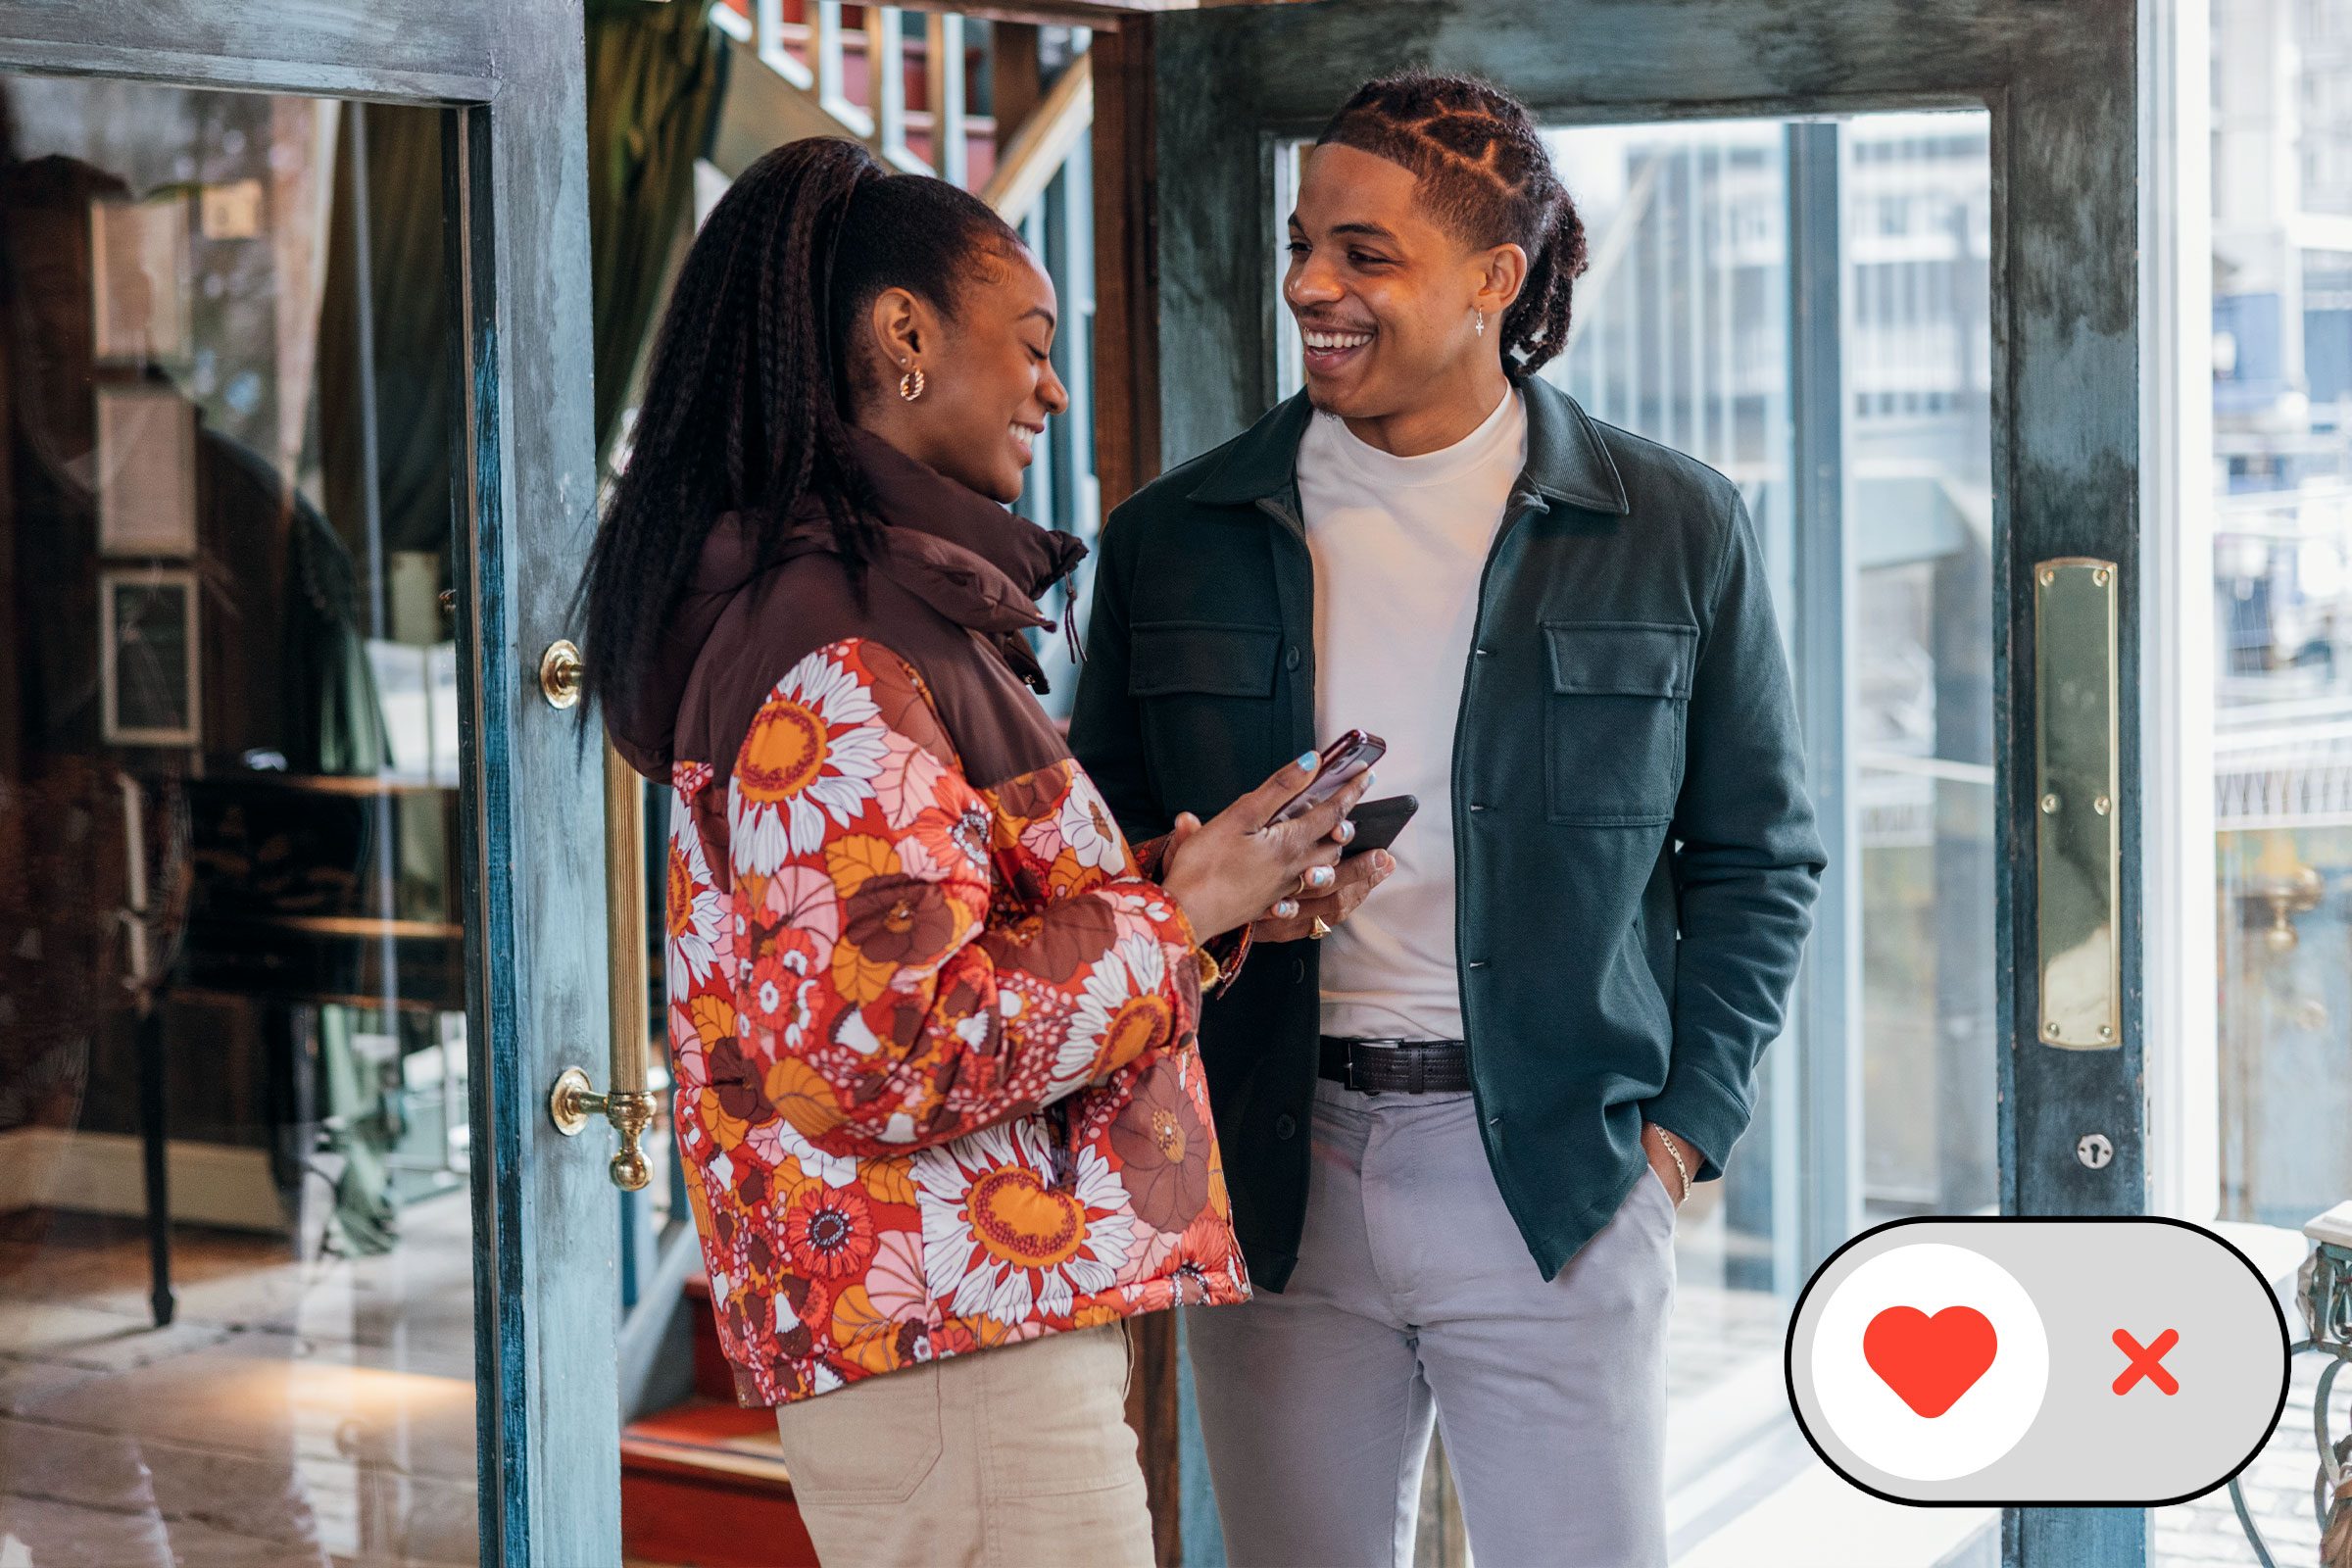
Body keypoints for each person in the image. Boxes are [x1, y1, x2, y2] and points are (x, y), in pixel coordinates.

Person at [1068, 73, 1825, 1567]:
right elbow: (1092, 861)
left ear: (1497, 277)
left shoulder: (1672, 528)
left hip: (1553, 1167)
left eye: (1363, 253)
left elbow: (1757, 860)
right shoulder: (1177, 537)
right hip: (1275, 1167)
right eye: (1302, 246)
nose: (1310, 287)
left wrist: (1677, 1140)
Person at [583, 136, 1367, 1567]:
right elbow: (883, 1044)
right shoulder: (839, 634)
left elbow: (919, 926)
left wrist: (1204, 894)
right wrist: (1171, 918)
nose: (1053, 389)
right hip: (955, 1344)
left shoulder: (850, 607)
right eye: (1032, 344)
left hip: (950, 1333)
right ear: (903, 337)